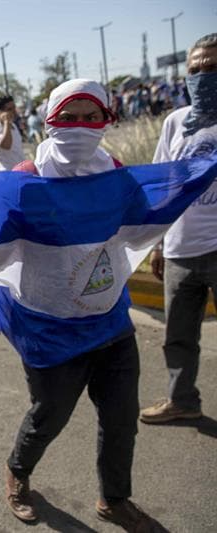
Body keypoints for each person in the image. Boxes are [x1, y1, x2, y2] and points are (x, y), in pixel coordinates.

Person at [0, 80, 164, 532]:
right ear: (51, 120)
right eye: (68, 117)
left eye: (90, 117)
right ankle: (17, 471)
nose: (79, 127)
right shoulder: (28, 179)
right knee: (47, 418)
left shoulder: (113, 169)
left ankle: (114, 499)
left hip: (111, 321)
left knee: (121, 420)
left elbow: (132, 226)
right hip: (51, 330)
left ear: (106, 120)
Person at [140, 33, 217, 425]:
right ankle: (182, 400)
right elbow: (164, 186)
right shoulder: (175, 123)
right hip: (181, 250)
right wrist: (157, 244)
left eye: (212, 68)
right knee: (179, 337)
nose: (203, 76)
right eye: (195, 70)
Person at [0, 95, 24, 171]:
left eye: (14, 107)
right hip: (7, 173)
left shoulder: (13, 125)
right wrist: (6, 121)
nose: (14, 111)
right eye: (9, 109)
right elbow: (6, 145)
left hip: (20, 171)